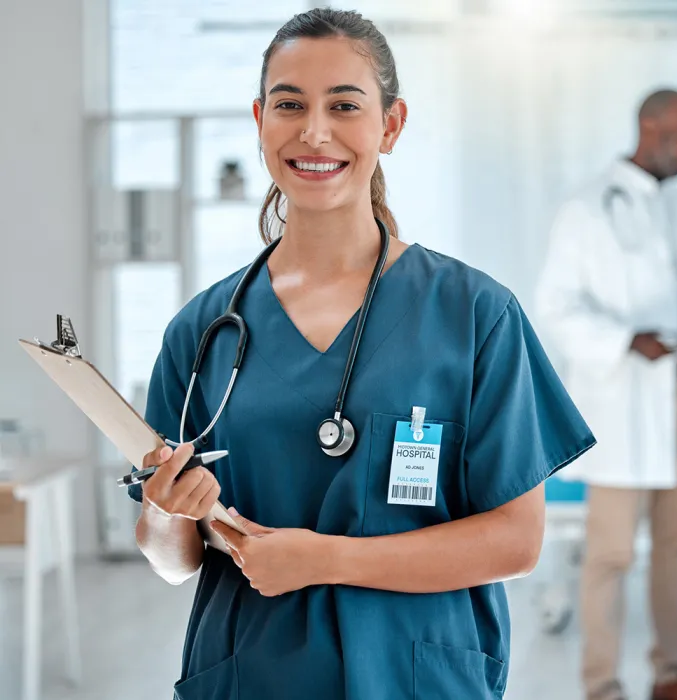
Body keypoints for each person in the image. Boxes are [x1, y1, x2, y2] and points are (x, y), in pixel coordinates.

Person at [126, 9, 596, 700]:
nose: (314, 132)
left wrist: (325, 559)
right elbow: (175, 561)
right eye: (289, 104)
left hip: (418, 679)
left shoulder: (474, 314)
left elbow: (516, 543)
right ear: (260, 121)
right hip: (253, 676)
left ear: (391, 124)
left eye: (344, 105)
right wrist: (167, 513)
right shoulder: (202, 331)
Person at [535, 90, 677, 700]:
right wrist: (624, 340)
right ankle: (603, 683)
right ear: (648, 126)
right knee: (610, 555)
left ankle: (670, 671)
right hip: (623, 409)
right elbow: (556, 307)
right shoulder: (587, 209)